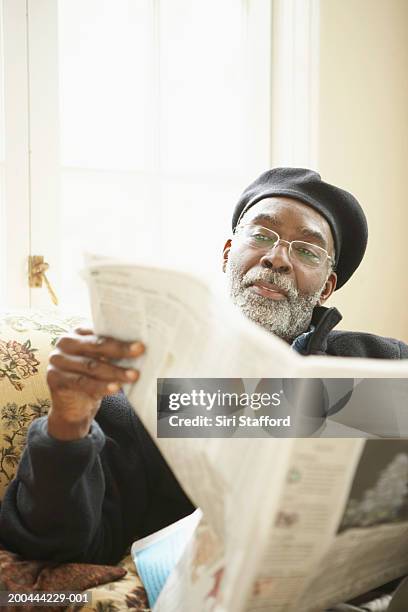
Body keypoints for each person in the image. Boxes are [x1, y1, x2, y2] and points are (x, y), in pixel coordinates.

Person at [0, 167, 407, 566]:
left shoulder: (383, 364)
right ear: (229, 254)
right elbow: (58, 544)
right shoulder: (143, 390)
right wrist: (68, 425)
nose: (277, 258)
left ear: (327, 286)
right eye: (262, 235)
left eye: (306, 250)